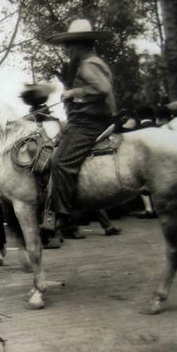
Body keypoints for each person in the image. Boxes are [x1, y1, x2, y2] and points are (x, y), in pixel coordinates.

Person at [45, 19, 116, 230]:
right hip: (87, 119)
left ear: (80, 45)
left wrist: (72, 93)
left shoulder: (88, 65)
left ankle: (63, 213)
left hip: (88, 123)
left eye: (70, 46)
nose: (67, 50)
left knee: (60, 162)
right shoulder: (92, 62)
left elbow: (101, 89)